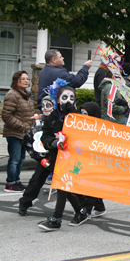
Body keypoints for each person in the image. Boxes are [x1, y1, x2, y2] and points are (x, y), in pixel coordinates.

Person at [34, 83, 90, 230]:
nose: (68, 101)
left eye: (72, 98)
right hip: (56, 156)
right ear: (58, 100)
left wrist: (72, 113)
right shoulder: (51, 117)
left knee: (61, 186)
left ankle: (56, 219)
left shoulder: (77, 117)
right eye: (65, 97)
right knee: (64, 186)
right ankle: (81, 211)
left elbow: (85, 134)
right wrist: (53, 142)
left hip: (72, 158)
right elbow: (45, 137)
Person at [2, 71, 35, 192]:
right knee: (14, 159)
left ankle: (16, 181)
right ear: (16, 81)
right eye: (23, 79)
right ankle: (10, 183)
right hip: (14, 133)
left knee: (20, 159)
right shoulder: (12, 95)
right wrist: (22, 126)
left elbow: (26, 114)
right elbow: (6, 115)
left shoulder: (25, 94)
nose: (26, 81)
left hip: (23, 133)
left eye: (27, 79)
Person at [78, 102, 107, 217]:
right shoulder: (82, 126)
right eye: (81, 113)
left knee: (91, 186)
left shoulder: (101, 128)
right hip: (84, 161)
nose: (83, 116)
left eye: (86, 113)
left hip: (96, 163)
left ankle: (87, 209)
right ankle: (99, 207)